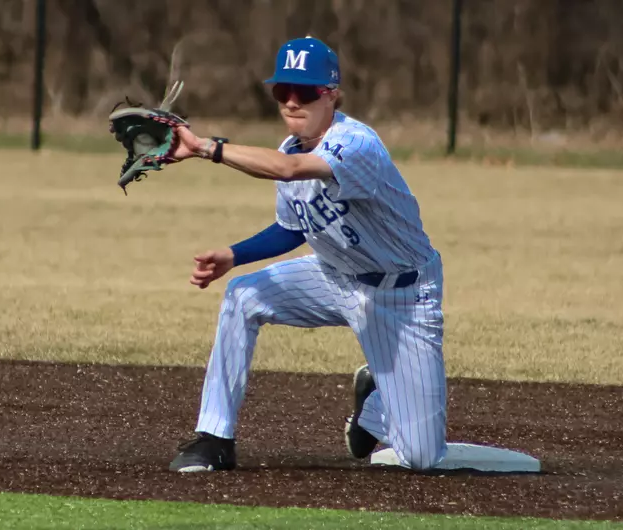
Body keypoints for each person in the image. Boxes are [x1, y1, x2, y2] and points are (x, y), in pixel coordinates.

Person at [166, 36, 448, 472]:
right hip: (337, 276)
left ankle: (376, 400)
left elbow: (291, 170)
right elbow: (291, 227)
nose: (293, 102)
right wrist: (233, 255)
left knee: (422, 458)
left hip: (403, 297)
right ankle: (214, 437)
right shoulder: (287, 148)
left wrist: (208, 147)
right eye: (283, 92)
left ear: (331, 94)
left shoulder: (357, 144)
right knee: (242, 297)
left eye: (306, 92)